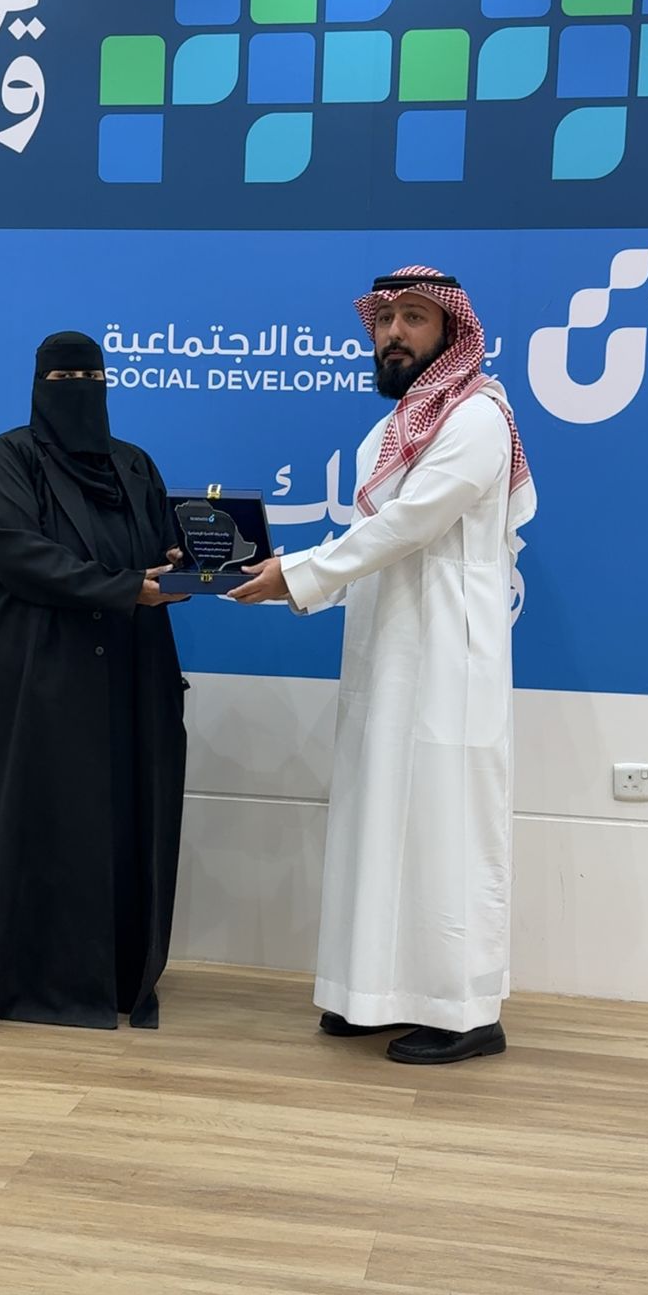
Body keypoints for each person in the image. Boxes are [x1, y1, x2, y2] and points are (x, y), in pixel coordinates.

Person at [231, 268, 536, 1065]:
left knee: (446, 829)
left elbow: (408, 526)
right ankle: (372, 996)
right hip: (385, 658)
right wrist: (285, 581)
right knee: (377, 824)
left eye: (413, 318)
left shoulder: (478, 416)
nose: (393, 334)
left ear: (451, 330)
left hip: (448, 661)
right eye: (384, 320)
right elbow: (370, 550)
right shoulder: (388, 432)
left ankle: (467, 1012)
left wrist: (299, 573)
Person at [0, 331, 188, 1032]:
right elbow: (10, 548)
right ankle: (24, 981)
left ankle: (117, 976)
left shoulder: (133, 465)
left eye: (90, 376)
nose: (78, 389)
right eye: (63, 377)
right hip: (37, 681)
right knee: (37, 822)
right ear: (38, 384)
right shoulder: (11, 458)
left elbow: (155, 547)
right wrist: (120, 587)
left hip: (127, 677)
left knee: (121, 820)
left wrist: (183, 561)